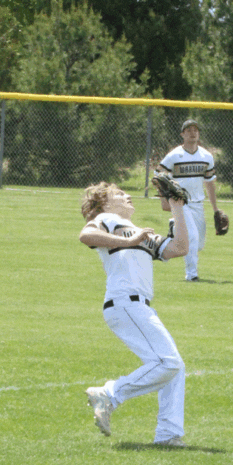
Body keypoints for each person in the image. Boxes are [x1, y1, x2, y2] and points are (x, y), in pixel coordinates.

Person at [79, 181, 189, 446]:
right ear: (104, 204)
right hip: (124, 303)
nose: (127, 196)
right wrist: (129, 240)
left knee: (175, 367)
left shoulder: (141, 232)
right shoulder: (107, 219)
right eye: (119, 194)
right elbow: (86, 235)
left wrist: (177, 209)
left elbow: (179, 249)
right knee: (169, 363)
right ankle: (110, 394)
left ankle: (169, 435)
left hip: (137, 306)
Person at [156, 119, 222, 282]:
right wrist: (164, 200)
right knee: (191, 236)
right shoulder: (174, 155)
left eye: (195, 130)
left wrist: (215, 210)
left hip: (198, 204)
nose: (193, 132)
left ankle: (175, 230)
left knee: (197, 243)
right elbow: (158, 177)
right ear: (182, 134)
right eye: (189, 130)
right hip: (180, 202)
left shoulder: (206, 156)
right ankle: (192, 275)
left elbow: (210, 183)